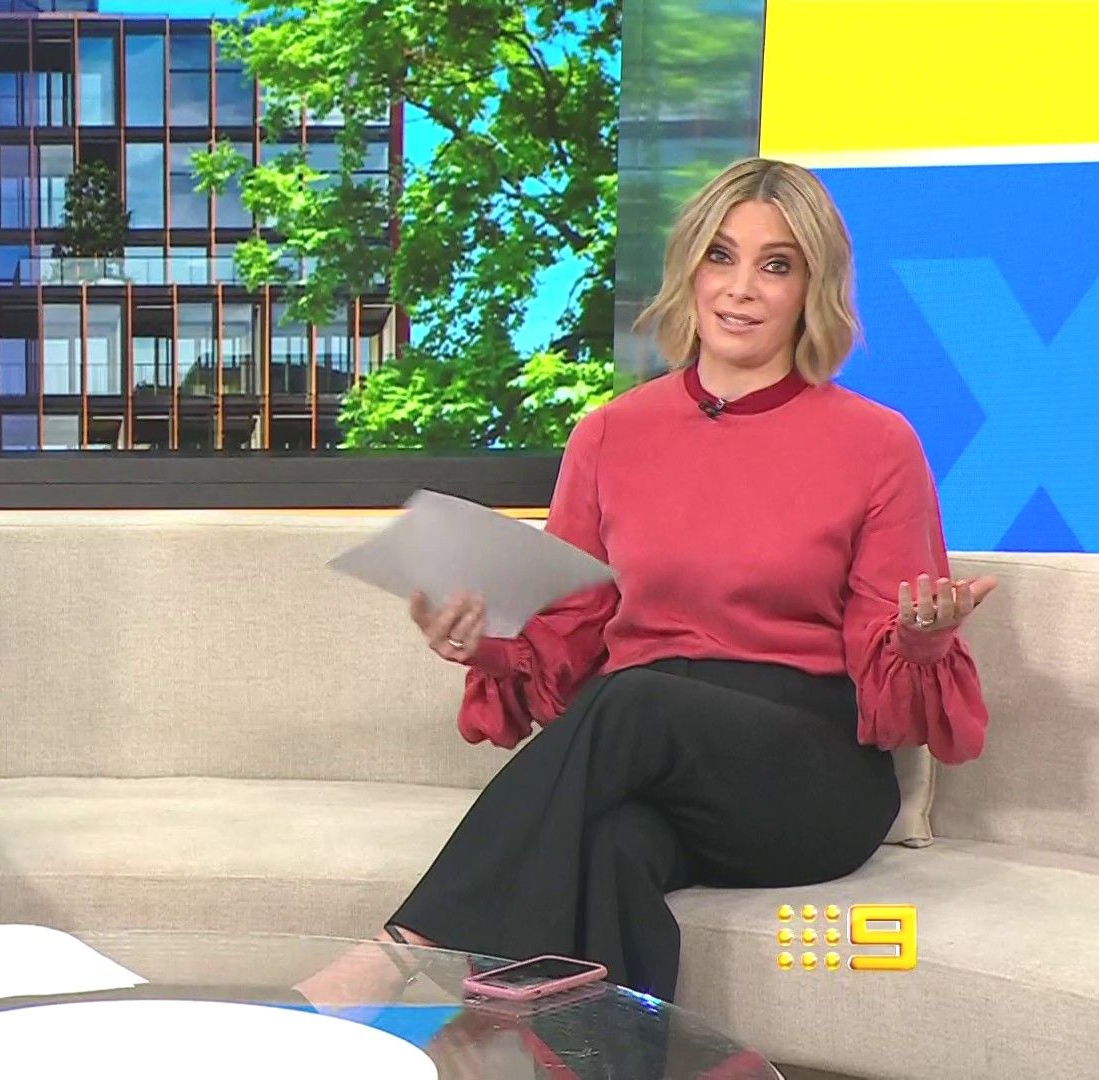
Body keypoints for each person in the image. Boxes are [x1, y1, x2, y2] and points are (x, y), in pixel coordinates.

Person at [386, 157, 995, 1003]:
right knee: (609, 849)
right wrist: (484, 647)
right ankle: (614, 1056)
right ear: (690, 270)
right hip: (657, 766)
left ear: (811, 288)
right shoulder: (609, 436)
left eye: (775, 265)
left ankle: (409, 949)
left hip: (807, 776)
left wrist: (921, 647)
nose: (741, 289)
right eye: (721, 256)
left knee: (634, 698)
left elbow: (889, 675)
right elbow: (567, 636)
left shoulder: (878, 443)